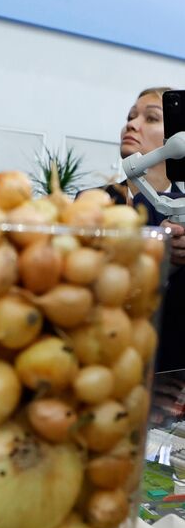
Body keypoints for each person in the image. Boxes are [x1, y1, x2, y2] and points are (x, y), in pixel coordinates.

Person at [102, 86, 185, 371]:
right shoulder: (93, 204)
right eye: (131, 116)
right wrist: (156, 250)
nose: (131, 124)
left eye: (151, 118)